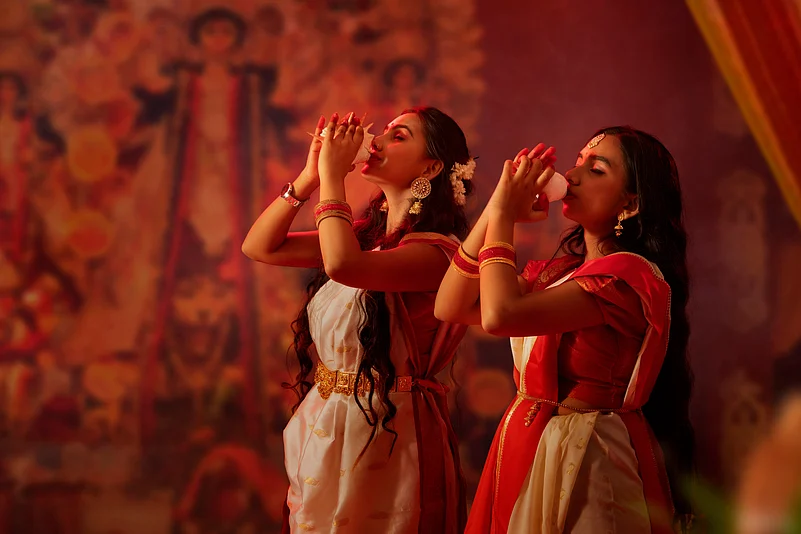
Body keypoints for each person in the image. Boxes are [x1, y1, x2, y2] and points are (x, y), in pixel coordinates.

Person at [435, 128, 695, 533]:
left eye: (596, 170)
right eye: (577, 162)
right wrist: (494, 210)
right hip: (531, 442)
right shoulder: (560, 273)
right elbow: (450, 306)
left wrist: (504, 216)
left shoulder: (627, 278)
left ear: (631, 202)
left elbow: (500, 316)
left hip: (588, 454)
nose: (571, 175)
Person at [242, 107, 476, 533]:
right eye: (384, 131)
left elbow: (342, 266)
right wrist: (309, 178)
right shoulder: (366, 239)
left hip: (391, 429)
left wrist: (333, 179)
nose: (378, 141)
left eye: (399, 136)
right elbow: (260, 247)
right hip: (327, 420)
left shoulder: (436, 253)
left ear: (431, 168)